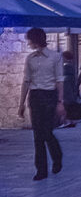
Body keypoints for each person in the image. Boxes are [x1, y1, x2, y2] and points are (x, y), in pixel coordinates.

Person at [18, 28, 65, 181]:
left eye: (30, 40)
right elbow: (26, 81)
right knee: (37, 134)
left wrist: (60, 101)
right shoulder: (30, 58)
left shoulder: (55, 57)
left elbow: (59, 80)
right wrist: (21, 103)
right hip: (35, 96)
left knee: (46, 131)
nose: (28, 43)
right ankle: (41, 169)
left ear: (36, 40)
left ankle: (57, 156)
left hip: (49, 95)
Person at [59, 51, 78, 128]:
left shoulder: (67, 67)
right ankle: (71, 121)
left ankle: (66, 121)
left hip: (67, 88)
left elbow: (65, 78)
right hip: (70, 88)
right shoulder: (71, 66)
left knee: (66, 104)